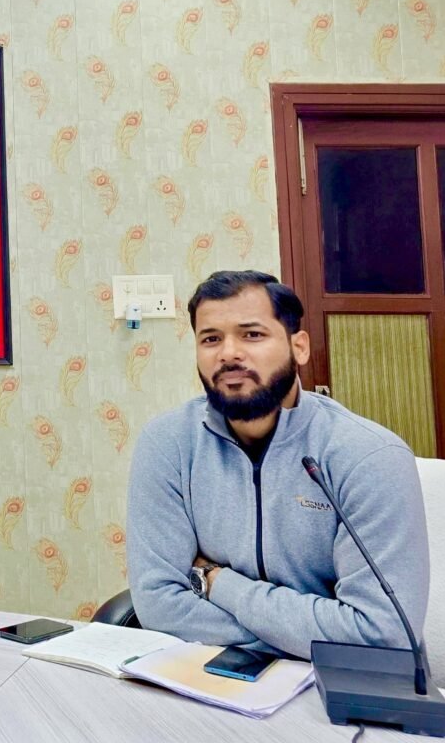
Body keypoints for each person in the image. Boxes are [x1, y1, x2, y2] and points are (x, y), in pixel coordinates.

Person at [127, 270, 428, 658]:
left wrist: (218, 582)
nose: (228, 353)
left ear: (299, 347)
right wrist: (299, 637)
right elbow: (158, 604)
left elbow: (381, 635)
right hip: (210, 671)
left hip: (345, 684)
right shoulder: (168, 443)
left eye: (252, 334)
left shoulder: (370, 457)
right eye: (211, 339)